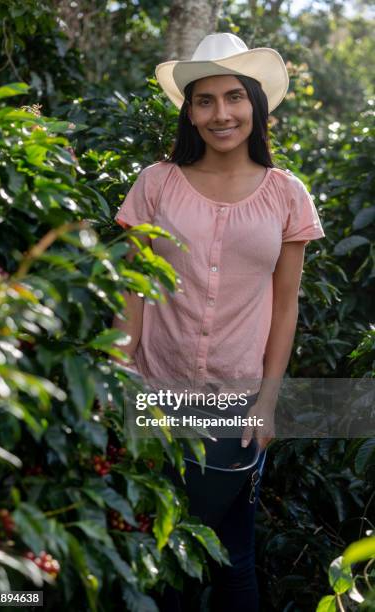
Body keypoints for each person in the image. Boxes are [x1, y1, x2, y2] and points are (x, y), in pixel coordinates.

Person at [113, 32, 325, 611]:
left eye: (234, 97)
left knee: (232, 558)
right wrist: (115, 378)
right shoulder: (156, 184)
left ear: (255, 105)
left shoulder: (287, 194)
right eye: (204, 100)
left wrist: (268, 401)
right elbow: (133, 290)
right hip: (153, 395)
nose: (221, 113)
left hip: (235, 401)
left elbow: (286, 306)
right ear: (189, 111)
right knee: (154, 550)